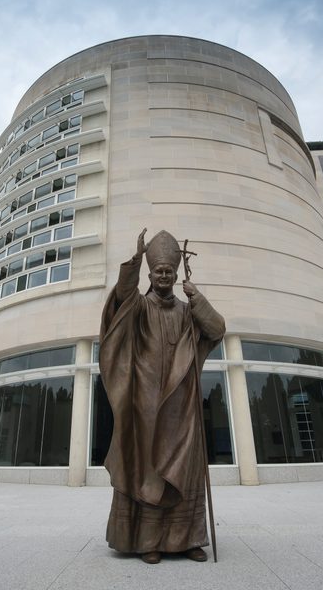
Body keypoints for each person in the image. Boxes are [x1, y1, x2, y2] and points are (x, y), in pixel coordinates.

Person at [99, 228, 225, 564]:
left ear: (176, 274)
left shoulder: (187, 310)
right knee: (150, 470)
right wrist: (135, 261)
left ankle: (189, 539)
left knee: (186, 470)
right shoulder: (139, 307)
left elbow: (217, 330)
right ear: (151, 275)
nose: (164, 276)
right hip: (148, 403)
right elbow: (120, 299)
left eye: (169, 271)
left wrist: (198, 299)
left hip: (183, 406)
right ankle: (148, 541)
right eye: (159, 271)